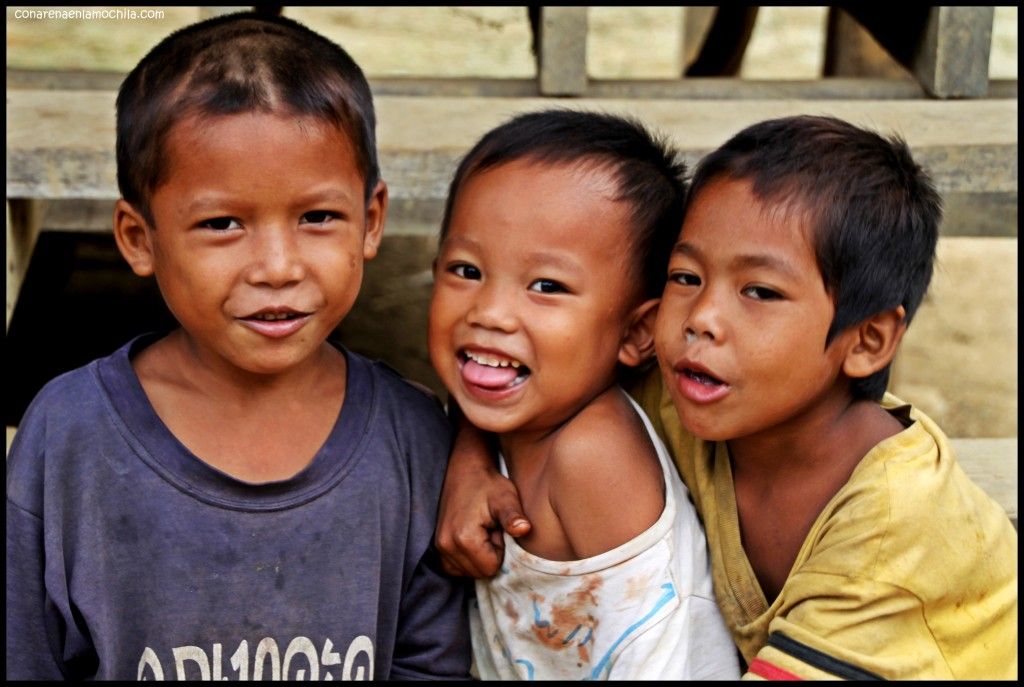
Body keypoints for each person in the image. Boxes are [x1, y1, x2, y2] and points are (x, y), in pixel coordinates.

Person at [434, 114, 1018, 679]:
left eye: (759, 291)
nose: (701, 318)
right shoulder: (692, 385)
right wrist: (471, 455)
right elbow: (525, 372)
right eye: (686, 277)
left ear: (866, 340)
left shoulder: (897, 534)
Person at [6, 12, 470, 681]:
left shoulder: (412, 439)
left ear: (371, 222)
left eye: (317, 217)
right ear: (139, 238)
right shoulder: (70, 437)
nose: (277, 266)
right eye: (223, 223)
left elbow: (432, 664)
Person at [428, 109, 740, 680]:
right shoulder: (515, 415)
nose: (489, 313)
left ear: (636, 333)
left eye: (546, 286)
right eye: (466, 270)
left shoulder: (591, 456)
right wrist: (468, 453)